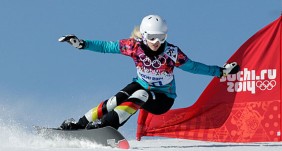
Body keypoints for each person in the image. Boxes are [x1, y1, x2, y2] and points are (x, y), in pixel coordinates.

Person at [58, 15, 240, 130]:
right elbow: (107, 46)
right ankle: (80, 124)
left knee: (141, 94)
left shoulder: (172, 53)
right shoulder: (133, 46)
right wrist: (82, 44)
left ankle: (107, 125)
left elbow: (192, 67)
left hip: (163, 98)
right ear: (143, 35)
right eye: (152, 37)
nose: (156, 42)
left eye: (161, 37)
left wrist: (220, 72)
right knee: (116, 100)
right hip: (141, 84)